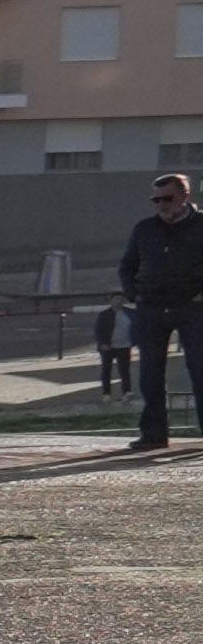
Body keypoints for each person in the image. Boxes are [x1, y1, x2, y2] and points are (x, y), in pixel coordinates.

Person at [122, 173, 203, 453]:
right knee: (149, 373)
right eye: (156, 200)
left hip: (193, 309)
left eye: (167, 199)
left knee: (200, 369)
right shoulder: (145, 228)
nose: (161, 205)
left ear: (184, 196)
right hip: (151, 308)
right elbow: (127, 265)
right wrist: (134, 294)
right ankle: (153, 434)